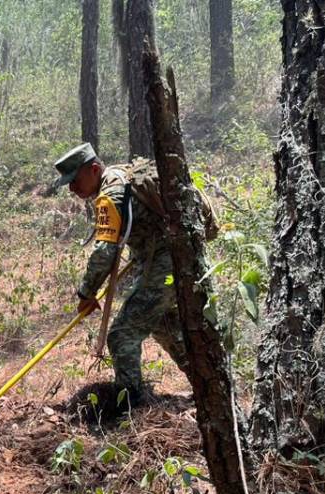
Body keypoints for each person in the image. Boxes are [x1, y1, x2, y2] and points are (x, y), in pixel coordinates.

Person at [52, 142, 214, 409]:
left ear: (94, 169)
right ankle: (208, 391)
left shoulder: (110, 195)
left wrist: (86, 292)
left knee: (122, 333)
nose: (72, 188)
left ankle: (132, 406)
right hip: (177, 258)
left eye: (75, 180)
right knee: (165, 327)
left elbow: (105, 252)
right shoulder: (118, 178)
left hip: (168, 263)